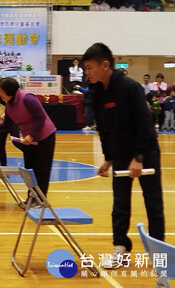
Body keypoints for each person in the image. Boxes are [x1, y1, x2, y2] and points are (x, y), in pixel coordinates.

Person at [82, 42, 165, 269]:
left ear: (105, 65)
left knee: (153, 204)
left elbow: (144, 124)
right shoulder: (97, 92)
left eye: (90, 68)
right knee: (120, 203)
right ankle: (120, 247)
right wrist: (108, 158)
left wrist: (138, 157)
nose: (87, 73)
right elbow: (104, 128)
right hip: (119, 155)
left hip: (145, 151)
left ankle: (159, 252)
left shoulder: (130, 87)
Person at [0, 77, 56, 199]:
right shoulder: (9, 105)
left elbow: (40, 117)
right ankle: (31, 198)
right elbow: (6, 125)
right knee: (29, 170)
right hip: (28, 139)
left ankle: (40, 200)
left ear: (8, 90)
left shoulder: (27, 98)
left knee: (41, 171)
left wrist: (31, 135)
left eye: (0, 91)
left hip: (44, 137)